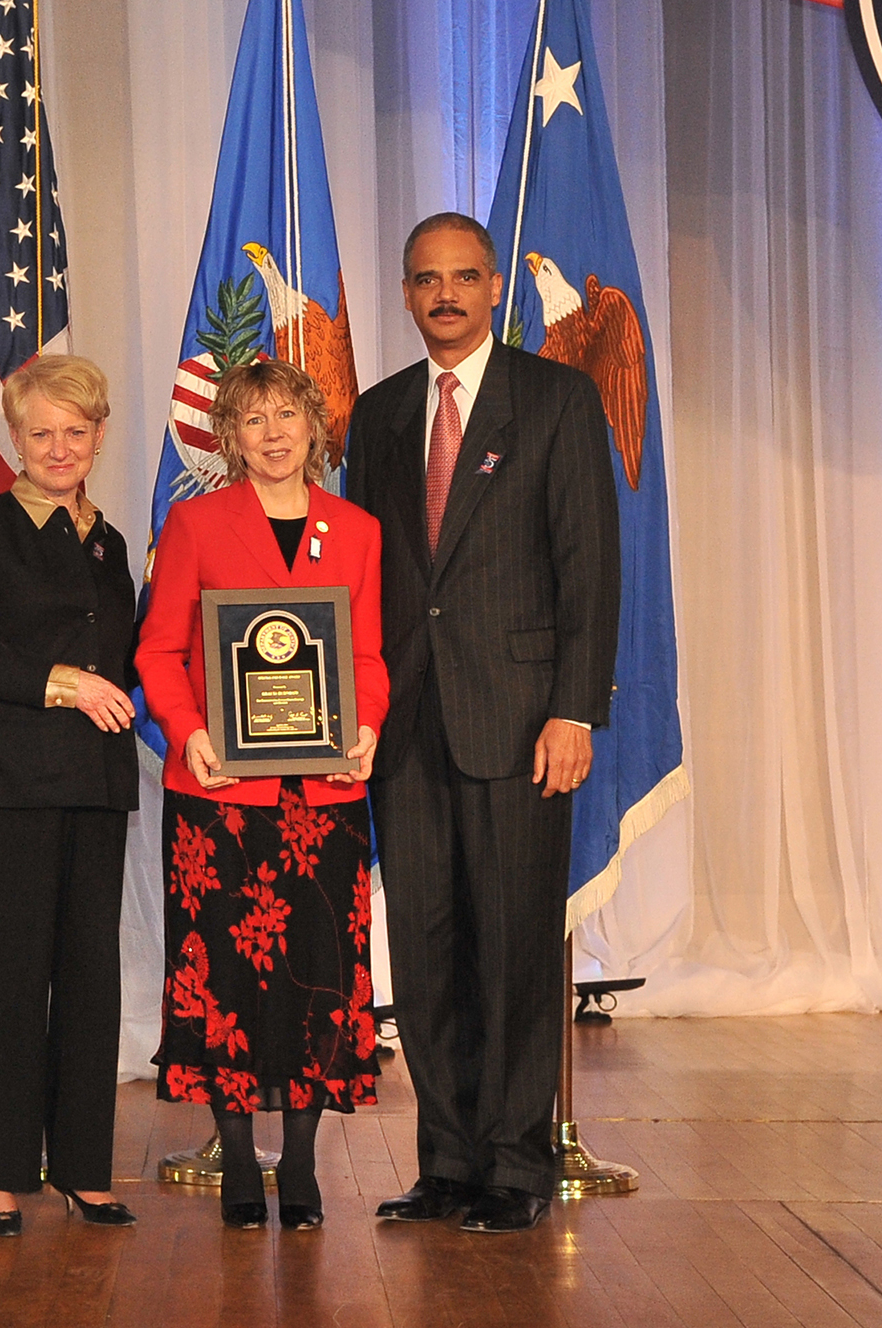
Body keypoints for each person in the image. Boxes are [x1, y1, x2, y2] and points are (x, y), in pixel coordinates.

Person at [346, 213, 620, 1233]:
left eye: (464, 276)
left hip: (519, 723)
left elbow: (588, 564)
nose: (445, 294)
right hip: (404, 724)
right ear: (406, 293)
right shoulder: (375, 416)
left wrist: (572, 710)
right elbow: (361, 578)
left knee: (509, 943)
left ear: (494, 286)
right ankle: (448, 1159)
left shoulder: (553, 398)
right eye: (426, 279)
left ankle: (515, 1161)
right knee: (422, 952)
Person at [136, 359, 390, 1230]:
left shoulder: (356, 529)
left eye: (288, 415)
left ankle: (306, 1164)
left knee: (321, 977)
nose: (274, 433)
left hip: (325, 795)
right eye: (253, 419)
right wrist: (189, 730)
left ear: (315, 427)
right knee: (226, 977)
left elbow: (364, 659)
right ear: (229, 437)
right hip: (219, 795)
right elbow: (160, 651)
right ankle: (241, 1160)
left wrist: (367, 728)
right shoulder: (197, 522)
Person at [0, 355, 141, 1237]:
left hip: (97, 783)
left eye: (76, 431)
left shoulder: (112, 540)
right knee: (12, 978)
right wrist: (63, 681)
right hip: (11, 783)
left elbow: (131, 658)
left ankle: (86, 1170)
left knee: (92, 980)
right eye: (40, 433)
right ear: (14, 439)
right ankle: (2, 1175)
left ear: (99, 436)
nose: (59, 447)